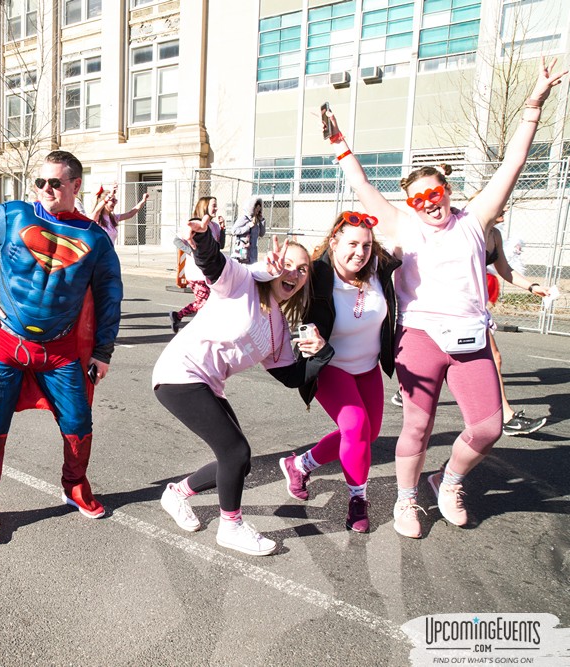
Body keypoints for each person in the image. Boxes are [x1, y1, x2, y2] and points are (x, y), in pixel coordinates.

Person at [322, 58, 566, 538]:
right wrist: (337, 142)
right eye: (416, 198)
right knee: (418, 426)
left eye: (433, 193)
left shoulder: (476, 219)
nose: (427, 202)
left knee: (489, 426)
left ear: (448, 191)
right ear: (409, 204)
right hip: (421, 337)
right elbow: (362, 185)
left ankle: (446, 481)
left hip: (471, 337)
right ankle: (406, 501)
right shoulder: (402, 227)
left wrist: (534, 105)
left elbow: (513, 162)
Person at [0, 150, 123, 543]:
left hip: (60, 348)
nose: (45, 189)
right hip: (6, 339)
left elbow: (110, 295)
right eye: (40, 182)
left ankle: (75, 484)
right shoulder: (13, 215)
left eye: (55, 183)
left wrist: (103, 352)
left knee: (78, 421)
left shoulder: (94, 238)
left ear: (75, 186)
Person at [154, 219, 330, 556]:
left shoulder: (278, 327)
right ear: (273, 265)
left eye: (303, 270)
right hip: (179, 373)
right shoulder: (242, 282)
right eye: (288, 264)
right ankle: (230, 526)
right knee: (235, 452)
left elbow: (292, 377)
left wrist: (321, 354)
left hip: (208, 383)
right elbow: (212, 262)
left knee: (238, 460)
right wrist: (204, 238)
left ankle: (177, 494)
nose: (293, 273)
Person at [277, 211, 400, 533]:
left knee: (367, 435)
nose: (360, 253)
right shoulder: (316, 275)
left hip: (368, 367)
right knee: (356, 426)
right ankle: (357, 500)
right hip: (331, 365)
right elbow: (281, 295)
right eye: (352, 244)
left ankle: (300, 464)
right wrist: (304, 339)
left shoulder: (380, 268)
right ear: (334, 241)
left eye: (367, 245)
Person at [484, 210, 551, 436]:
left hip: (472, 309)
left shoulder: (494, 235)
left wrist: (532, 287)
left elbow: (505, 269)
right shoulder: (465, 228)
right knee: (490, 358)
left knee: (493, 358)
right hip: (448, 309)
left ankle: (506, 416)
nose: (504, 208)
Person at [169, 196, 223, 333]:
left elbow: (220, 246)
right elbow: (177, 240)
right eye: (213, 205)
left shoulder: (215, 226)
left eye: (216, 205)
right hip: (195, 273)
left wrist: (223, 230)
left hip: (211, 272)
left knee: (210, 303)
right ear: (204, 206)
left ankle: (178, 316)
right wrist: (191, 252)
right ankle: (196, 329)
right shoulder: (194, 223)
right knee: (204, 303)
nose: (216, 208)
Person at [231, 197, 265, 264]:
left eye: (259, 209)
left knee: (251, 268)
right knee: (242, 264)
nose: (258, 211)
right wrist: (248, 226)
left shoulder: (256, 220)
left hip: (253, 250)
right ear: (252, 208)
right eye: (256, 209)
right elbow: (234, 231)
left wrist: (262, 221)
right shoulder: (244, 218)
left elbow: (261, 234)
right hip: (243, 248)